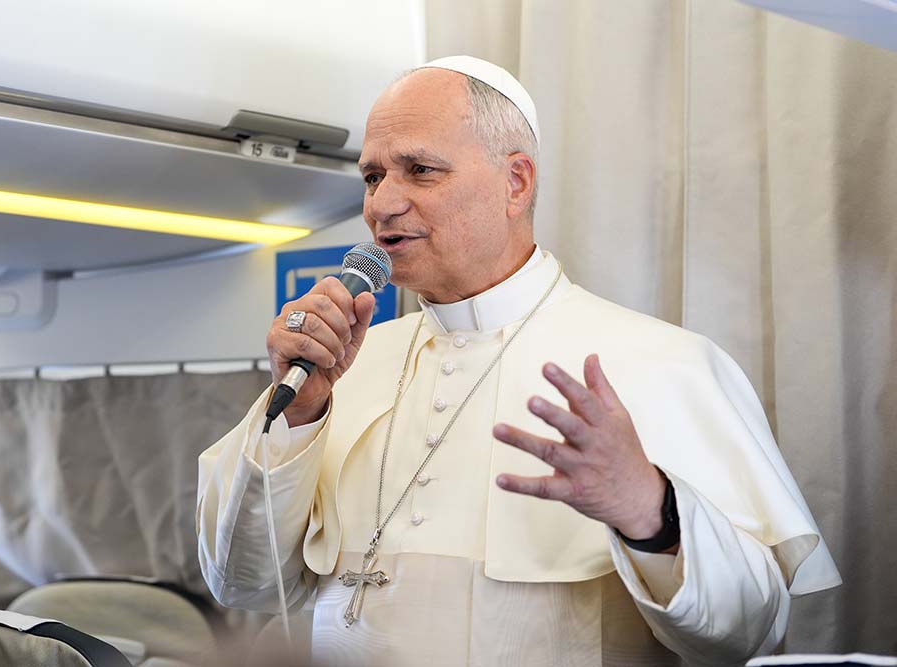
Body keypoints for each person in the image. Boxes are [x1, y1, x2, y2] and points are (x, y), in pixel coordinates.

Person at [196, 56, 840, 666]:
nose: (381, 204)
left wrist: (651, 511)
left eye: (420, 170)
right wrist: (303, 417)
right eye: (372, 176)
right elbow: (241, 584)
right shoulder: (339, 367)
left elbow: (747, 635)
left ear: (515, 181)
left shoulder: (664, 363)